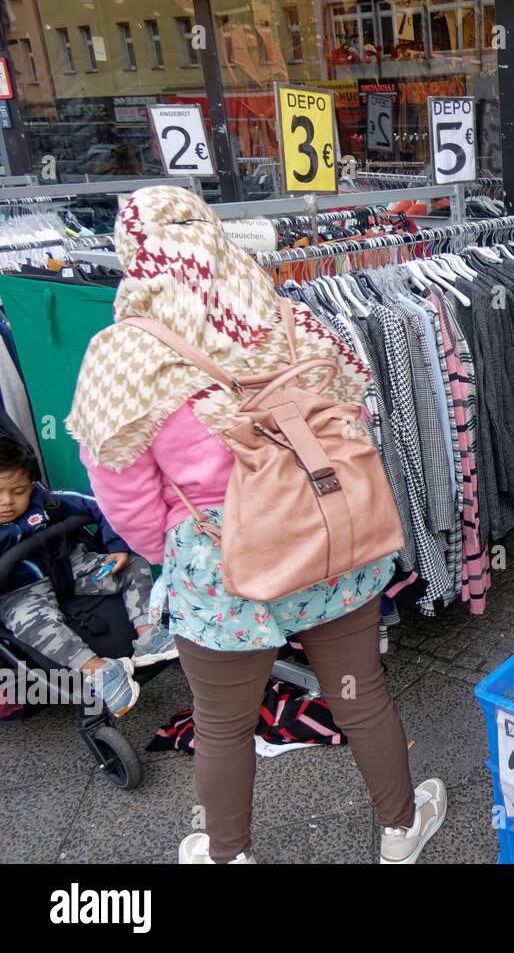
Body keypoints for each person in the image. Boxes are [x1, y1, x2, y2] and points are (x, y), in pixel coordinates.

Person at [66, 186, 445, 865]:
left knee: (221, 726)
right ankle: (399, 829)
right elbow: (353, 423)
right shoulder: (297, 321)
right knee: (358, 696)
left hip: (220, 567)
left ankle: (226, 855)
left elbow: (122, 497)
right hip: (330, 542)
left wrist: (185, 548)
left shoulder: (121, 357)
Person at [0, 435, 170, 717]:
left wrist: (117, 547)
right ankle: (101, 671)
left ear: (31, 486)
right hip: (22, 592)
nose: (7, 501)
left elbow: (98, 503)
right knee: (33, 626)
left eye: (18, 491)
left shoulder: (46, 502)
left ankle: (150, 636)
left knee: (133, 567)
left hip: (71, 569)